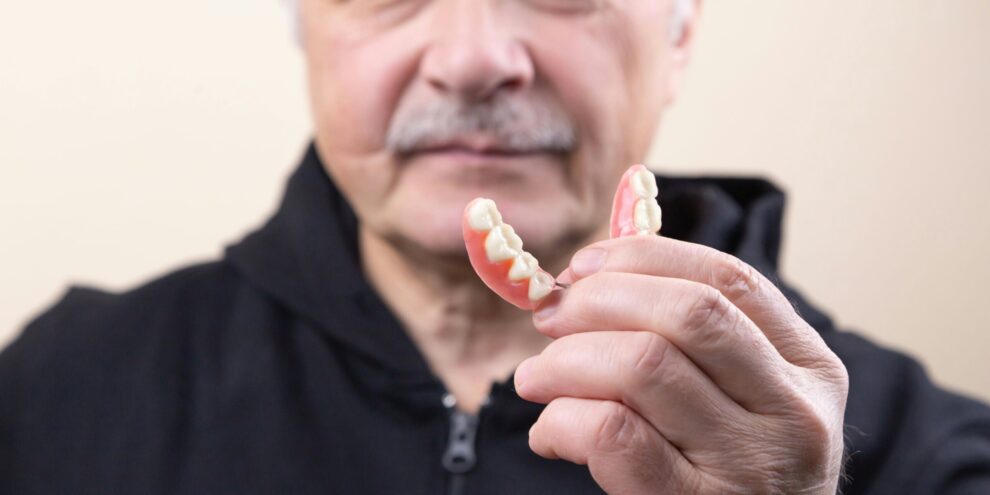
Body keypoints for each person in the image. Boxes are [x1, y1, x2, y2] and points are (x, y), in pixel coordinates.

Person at [2, 0, 989, 493]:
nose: (474, 58)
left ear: (680, 32)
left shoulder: (934, 459)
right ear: (308, 26)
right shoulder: (54, 398)